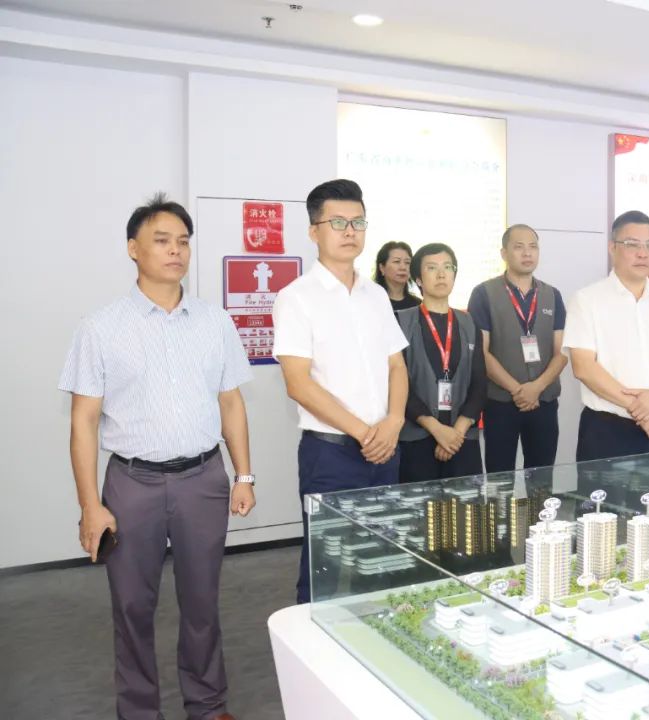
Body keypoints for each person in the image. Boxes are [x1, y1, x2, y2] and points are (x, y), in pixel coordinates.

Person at [59, 193, 254, 720]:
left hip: (203, 480)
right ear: (133, 249)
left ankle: (208, 705)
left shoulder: (214, 322)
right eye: (162, 240)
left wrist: (244, 475)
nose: (175, 251)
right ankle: (140, 711)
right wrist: (89, 506)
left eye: (183, 242)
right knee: (131, 606)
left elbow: (231, 402)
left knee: (202, 602)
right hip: (131, 485)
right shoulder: (100, 327)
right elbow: (83, 423)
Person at [272, 179, 408, 604]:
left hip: (384, 450)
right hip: (331, 454)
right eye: (338, 222)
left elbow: (396, 365)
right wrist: (365, 433)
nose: (350, 231)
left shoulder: (376, 295)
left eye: (358, 222)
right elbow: (298, 383)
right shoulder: (296, 298)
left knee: (382, 561)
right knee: (325, 568)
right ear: (314, 231)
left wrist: (394, 421)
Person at [563, 211, 649, 461]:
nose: (643, 253)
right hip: (608, 432)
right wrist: (643, 411)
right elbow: (583, 367)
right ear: (612, 247)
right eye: (632, 244)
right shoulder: (587, 299)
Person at [467, 224, 567, 472]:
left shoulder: (552, 295)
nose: (527, 253)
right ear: (504, 253)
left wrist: (536, 388)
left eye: (533, 247)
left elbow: (562, 352)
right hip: (500, 402)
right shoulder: (484, 293)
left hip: (543, 400)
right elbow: (481, 353)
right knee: (500, 479)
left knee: (541, 478)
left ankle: (539, 504)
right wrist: (518, 390)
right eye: (519, 247)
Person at [398, 243, 487, 481]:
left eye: (448, 267)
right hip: (417, 439)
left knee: (466, 504)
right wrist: (437, 430)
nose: (441, 274)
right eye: (431, 268)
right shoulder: (401, 323)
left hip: (462, 439)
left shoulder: (469, 323)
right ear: (418, 278)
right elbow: (398, 386)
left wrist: (455, 434)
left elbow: (479, 384)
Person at [373, 240, 421, 312]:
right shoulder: (371, 301)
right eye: (396, 261)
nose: (403, 267)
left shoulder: (418, 305)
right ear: (382, 268)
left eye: (407, 262)